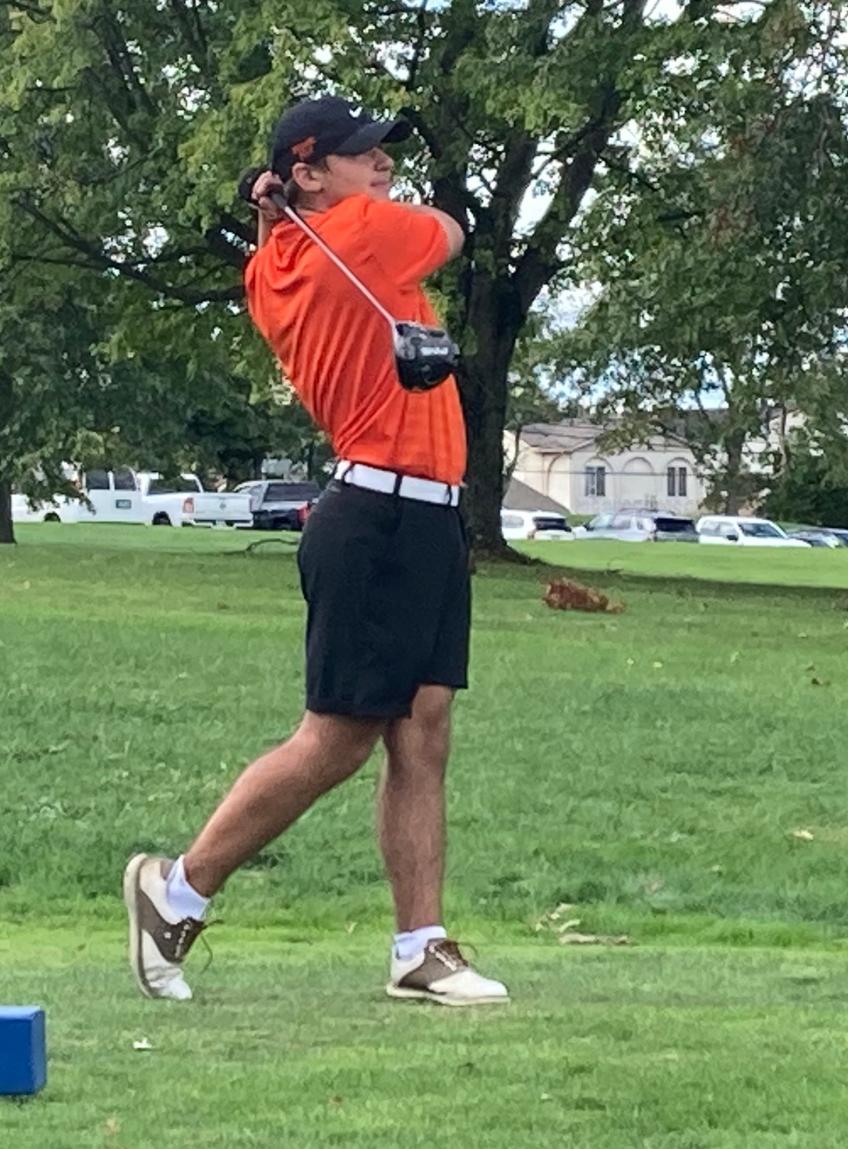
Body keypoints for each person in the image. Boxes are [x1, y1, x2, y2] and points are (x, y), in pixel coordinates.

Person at [123, 96, 508, 1008]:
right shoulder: (366, 236)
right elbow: (454, 232)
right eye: (360, 154)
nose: (381, 165)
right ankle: (173, 891)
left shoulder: (274, 263)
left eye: (381, 151)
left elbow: (279, 250)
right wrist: (318, 209)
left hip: (422, 518)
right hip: (376, 515)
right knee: (337, 739)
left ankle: (421, 946)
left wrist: (273, 213)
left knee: (423, 727)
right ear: (306, 173)